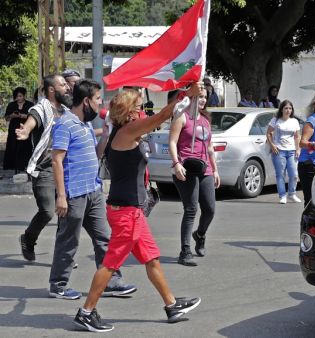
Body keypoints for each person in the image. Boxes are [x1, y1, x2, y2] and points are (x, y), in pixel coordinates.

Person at [73, 83, 203, 332]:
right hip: (126, 211)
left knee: (151, 257)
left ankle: (171, 305)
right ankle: (86, 312)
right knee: (110, 264)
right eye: (140, 107)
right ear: (130, 112)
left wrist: (183, 101)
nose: (143, 110)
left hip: (130, 210)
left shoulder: (125, 132)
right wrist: (186, 94)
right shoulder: (128, 130)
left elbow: (162, 120)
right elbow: (163, 116)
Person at [50, 79, 136, 300]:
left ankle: (111, 281)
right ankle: (58, 285)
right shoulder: (65, 124)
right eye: (98, 99)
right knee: (69, 240)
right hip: (74, 194)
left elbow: (97, 155)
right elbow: (56, 161)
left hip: (93, 192)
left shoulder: (86, 125)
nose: (101, 103)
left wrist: (106, 135)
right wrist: (61, 196)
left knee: (105, 238)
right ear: (86, 101)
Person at [15, 75, 71, 262]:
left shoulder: (66, 111)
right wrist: (26, 131)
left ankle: (62, 253)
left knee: (66, 212)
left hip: (65, 167)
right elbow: (32, 120)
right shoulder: (41, 108)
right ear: (52, 90)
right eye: (63, 85)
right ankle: (28, 239)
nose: (67, 88)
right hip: (45, 168)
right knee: (47, 210)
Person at [169, 86, 220, 266]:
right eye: (200, 96)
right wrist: (176, 164)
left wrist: (215, 169)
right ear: (191, 97)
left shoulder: (205, 120)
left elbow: (210, 147)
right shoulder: (182, 117)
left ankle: (200, 235)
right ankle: (185, 251)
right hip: (186, 168)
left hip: (204, 169)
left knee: (210, 209)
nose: (203, 100)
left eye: (205, 97)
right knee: (191, 209)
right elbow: (172, 142)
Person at [266, 100, 301, 204]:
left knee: (294, 174)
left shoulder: (294, 121)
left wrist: (298, 149)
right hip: (279, 150)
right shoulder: (275, 120)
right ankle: (282, 195)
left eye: (290, 108)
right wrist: (272, 145)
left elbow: (297, 136)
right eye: (286, 108)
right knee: (280, 174)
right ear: (281, 109)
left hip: (291, 151)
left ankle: (292, 194)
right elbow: (268, 133)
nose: (288, 110)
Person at [3, 87, 34, 171]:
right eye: (17, 96)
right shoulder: (11, 105)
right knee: (12, 145)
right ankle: (11, 165)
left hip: (25, 127)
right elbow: (6, 118)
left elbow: (34, 117)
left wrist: (24, 116)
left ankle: (24, 165)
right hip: (13, 128)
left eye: (20, 96)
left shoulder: (30, 105)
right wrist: (12, 115)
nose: (19, 98)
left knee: (25, 146)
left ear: (24, 95)